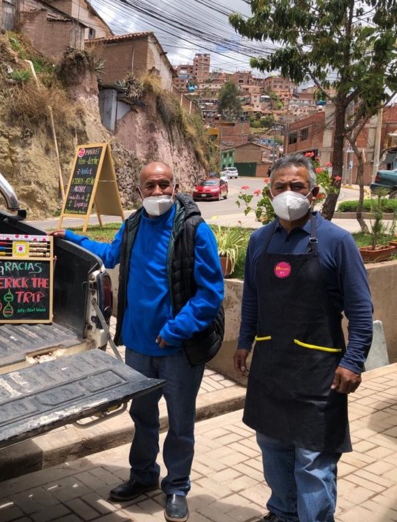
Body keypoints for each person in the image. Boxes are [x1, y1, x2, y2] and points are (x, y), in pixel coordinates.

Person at [51, 162, 224, 522]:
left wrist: (175, 330)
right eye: (151, 186)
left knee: (180, 423)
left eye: (165, 185)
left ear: (175, 188)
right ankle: (144, 475)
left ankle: (177, 487)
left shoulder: (194, 230)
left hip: (178, 349)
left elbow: (210, 296)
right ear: (140, 191)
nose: (158, 192)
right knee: (143, 416)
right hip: (138, 347)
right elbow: (109, 254)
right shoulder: (132, 225)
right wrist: (70, 239)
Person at [234, 153, 373, 522]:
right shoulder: (260, 241)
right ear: (269, 192)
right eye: (280, 186)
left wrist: (353, 360)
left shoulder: (337, 241)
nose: (288, 192)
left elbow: (360, 309)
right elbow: (252, 298)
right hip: (271, 366)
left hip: (319, 371)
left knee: (312, 461)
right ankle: (282, 513)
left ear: (313, 192)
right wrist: (244, 341)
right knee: (273, 447)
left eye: (297, 186)